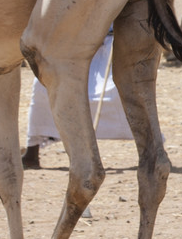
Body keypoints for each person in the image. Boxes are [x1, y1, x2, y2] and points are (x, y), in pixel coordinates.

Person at [22, 29, 133, 169]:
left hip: (112, 47)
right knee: (42, 85)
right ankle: (32, 152)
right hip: (73, 46)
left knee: (122, 89)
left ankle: (150, 147)